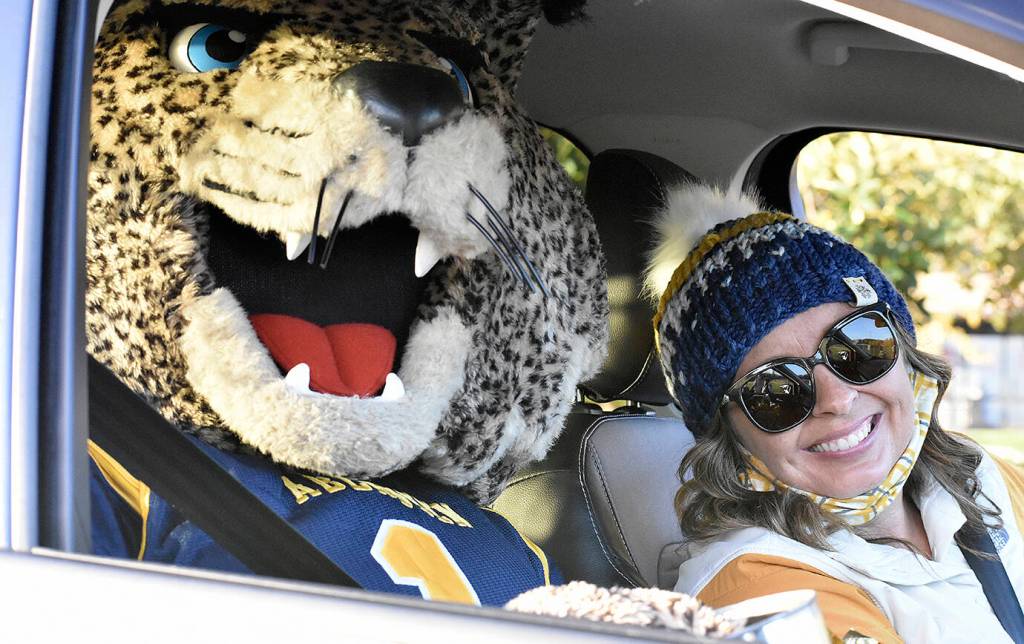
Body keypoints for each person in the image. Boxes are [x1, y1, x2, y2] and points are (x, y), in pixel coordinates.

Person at [646, 183, 1024, 643]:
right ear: (728, 434)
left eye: (858, 345)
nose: (838, 399)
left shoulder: (981, 476)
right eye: (777, 388)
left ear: (904, 351)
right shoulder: (759, 601)